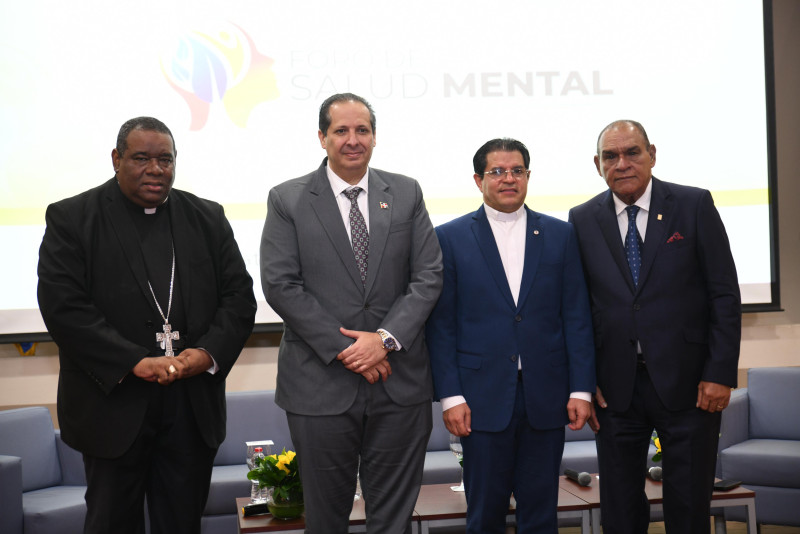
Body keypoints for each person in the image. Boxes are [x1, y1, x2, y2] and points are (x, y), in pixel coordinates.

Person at [37, 117, 257, 534]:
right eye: (141, 158)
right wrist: (133, 360)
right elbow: (64, 308)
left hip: (191, 407)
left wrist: (206, 353)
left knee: (182, 523)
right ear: (117, 159)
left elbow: (238, 298)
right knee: (112, 523)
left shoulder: (206, 217)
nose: (156, 169)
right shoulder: (73, 218)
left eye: (165, 160)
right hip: (113, 405)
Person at [259, 93, 443, 533]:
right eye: (341, 130)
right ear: (322, 137)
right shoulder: (288, 199)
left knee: (393, 519)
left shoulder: (405, 192)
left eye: (362, 129)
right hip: (320, 385)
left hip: (398, 382)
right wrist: (350, 350)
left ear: (374, 137)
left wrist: (383, 341)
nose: (352, 140)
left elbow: (429, 275)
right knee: (325, 520)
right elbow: (281, 285)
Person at [568, 120, 741, 533]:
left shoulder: (693, 205)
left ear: (652, 155)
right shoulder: (582, 218)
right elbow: (578, 308)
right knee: (621, 508)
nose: (622, 163)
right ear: (598, 164)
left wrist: (719, 373)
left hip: (690, 385)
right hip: (614, 391)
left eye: (632, 152)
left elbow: (724, 295)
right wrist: (583, 379)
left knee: (688, 505)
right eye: (611, 156)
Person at [426, 138, 596, 533]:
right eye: (497, 171)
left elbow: (577, 317)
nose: (508, 179)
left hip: (547, 395)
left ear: (528, 177)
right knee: (485, 513)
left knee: (541, 513)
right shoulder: (448, 237)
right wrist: (451, 396)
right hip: (479, 398)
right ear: (477, 180)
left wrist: (581, 390)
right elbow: (442, 324)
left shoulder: (560, 234)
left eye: (517, 170)